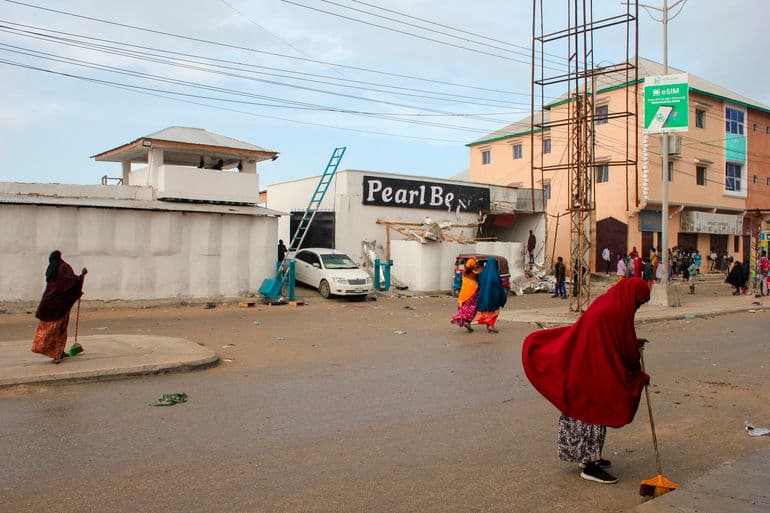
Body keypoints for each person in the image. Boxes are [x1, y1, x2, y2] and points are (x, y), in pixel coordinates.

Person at [522, 278, 651, 484]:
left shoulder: (610, 303)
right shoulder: (614, 311)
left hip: (588, 366)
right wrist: (638, 374)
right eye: (639, 302)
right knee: (593, 413)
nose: (638, 306)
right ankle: (589, 466)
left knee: (589, 415)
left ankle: (589, 457)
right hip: (591, 370)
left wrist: (633, 344)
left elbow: (615, 338)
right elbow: (622, 350)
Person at [31, 250, 87, 364]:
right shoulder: (63, 268)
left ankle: (56, 351)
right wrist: (81, 276)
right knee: (59, 330)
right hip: (59, 307)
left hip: (47, 306)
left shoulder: (51, 270)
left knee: (46, 330)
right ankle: (57, 355)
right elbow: (70, 282)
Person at [476, 257, 508, 333]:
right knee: (494, 311)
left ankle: (489, 325)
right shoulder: (495, 274)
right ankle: (491, 325)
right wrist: (503, 296)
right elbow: (500, 286)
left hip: (483, 295)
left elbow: (479, 284)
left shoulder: (483, 273)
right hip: (494, 296)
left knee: (487, 310)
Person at [450, 258, 480, 332]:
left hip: (464, 295)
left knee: (464, 309)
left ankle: (464, 321)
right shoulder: (476, 273)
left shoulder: (464, 273)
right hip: (473, 294)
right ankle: (468, 322)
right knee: (472, 309)